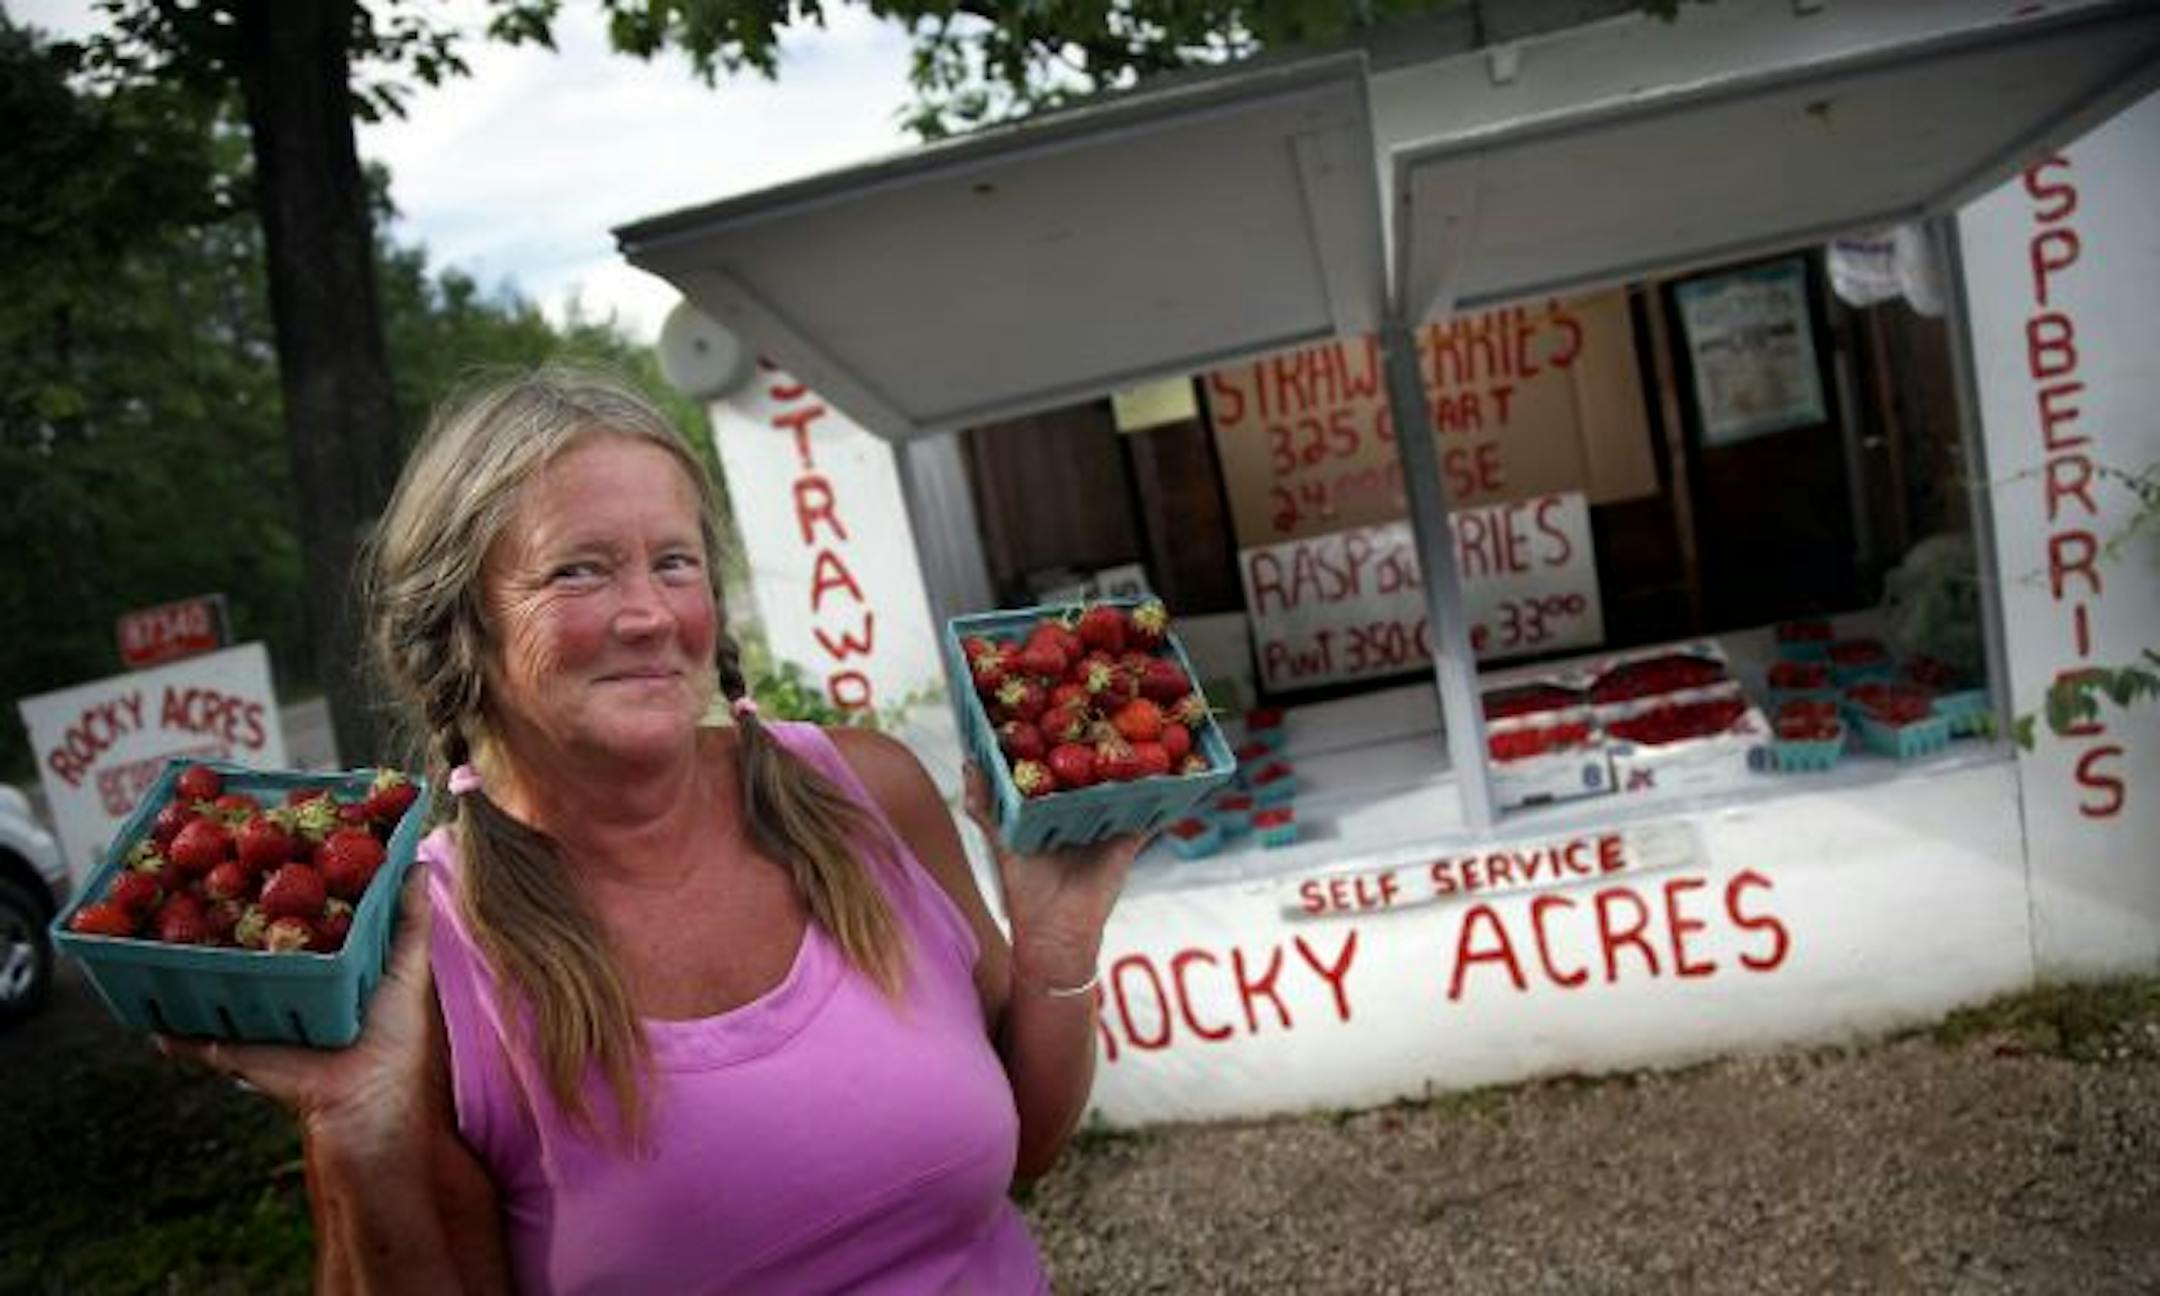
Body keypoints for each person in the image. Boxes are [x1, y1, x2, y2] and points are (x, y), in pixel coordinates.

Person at [163, 364, 1142, 1293]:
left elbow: (1023, 1148)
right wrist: (364, 1133)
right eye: (578, 573)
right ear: (463, 629)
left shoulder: (868, 796)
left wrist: (1057, 946)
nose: (647, 615)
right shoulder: (420, 952)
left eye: (673, 562)